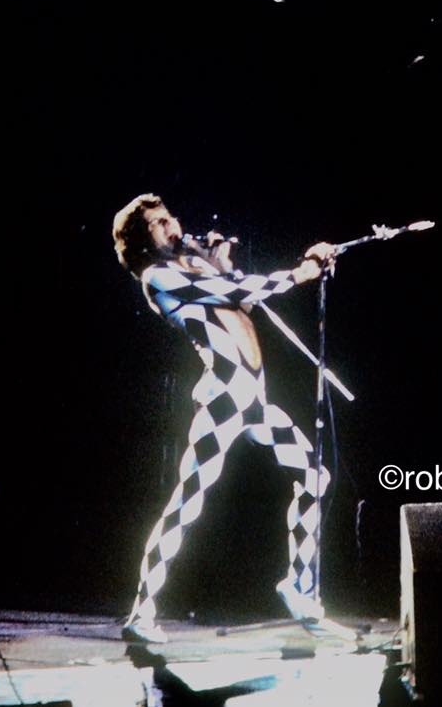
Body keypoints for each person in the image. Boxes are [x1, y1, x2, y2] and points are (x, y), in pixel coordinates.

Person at [112, 193, 338, 644]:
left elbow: (243, 308)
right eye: (158, 224)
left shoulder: (192, 265)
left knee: (315, 476)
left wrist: (221, 263)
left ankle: (298, 586)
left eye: (170, 217)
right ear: (142, 240)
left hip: (253, 397)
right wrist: (301, 272)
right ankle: (141, 613)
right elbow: (236, 294)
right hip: (224, 398)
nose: (172, 226)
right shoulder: (157, 277)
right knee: (188, 503)